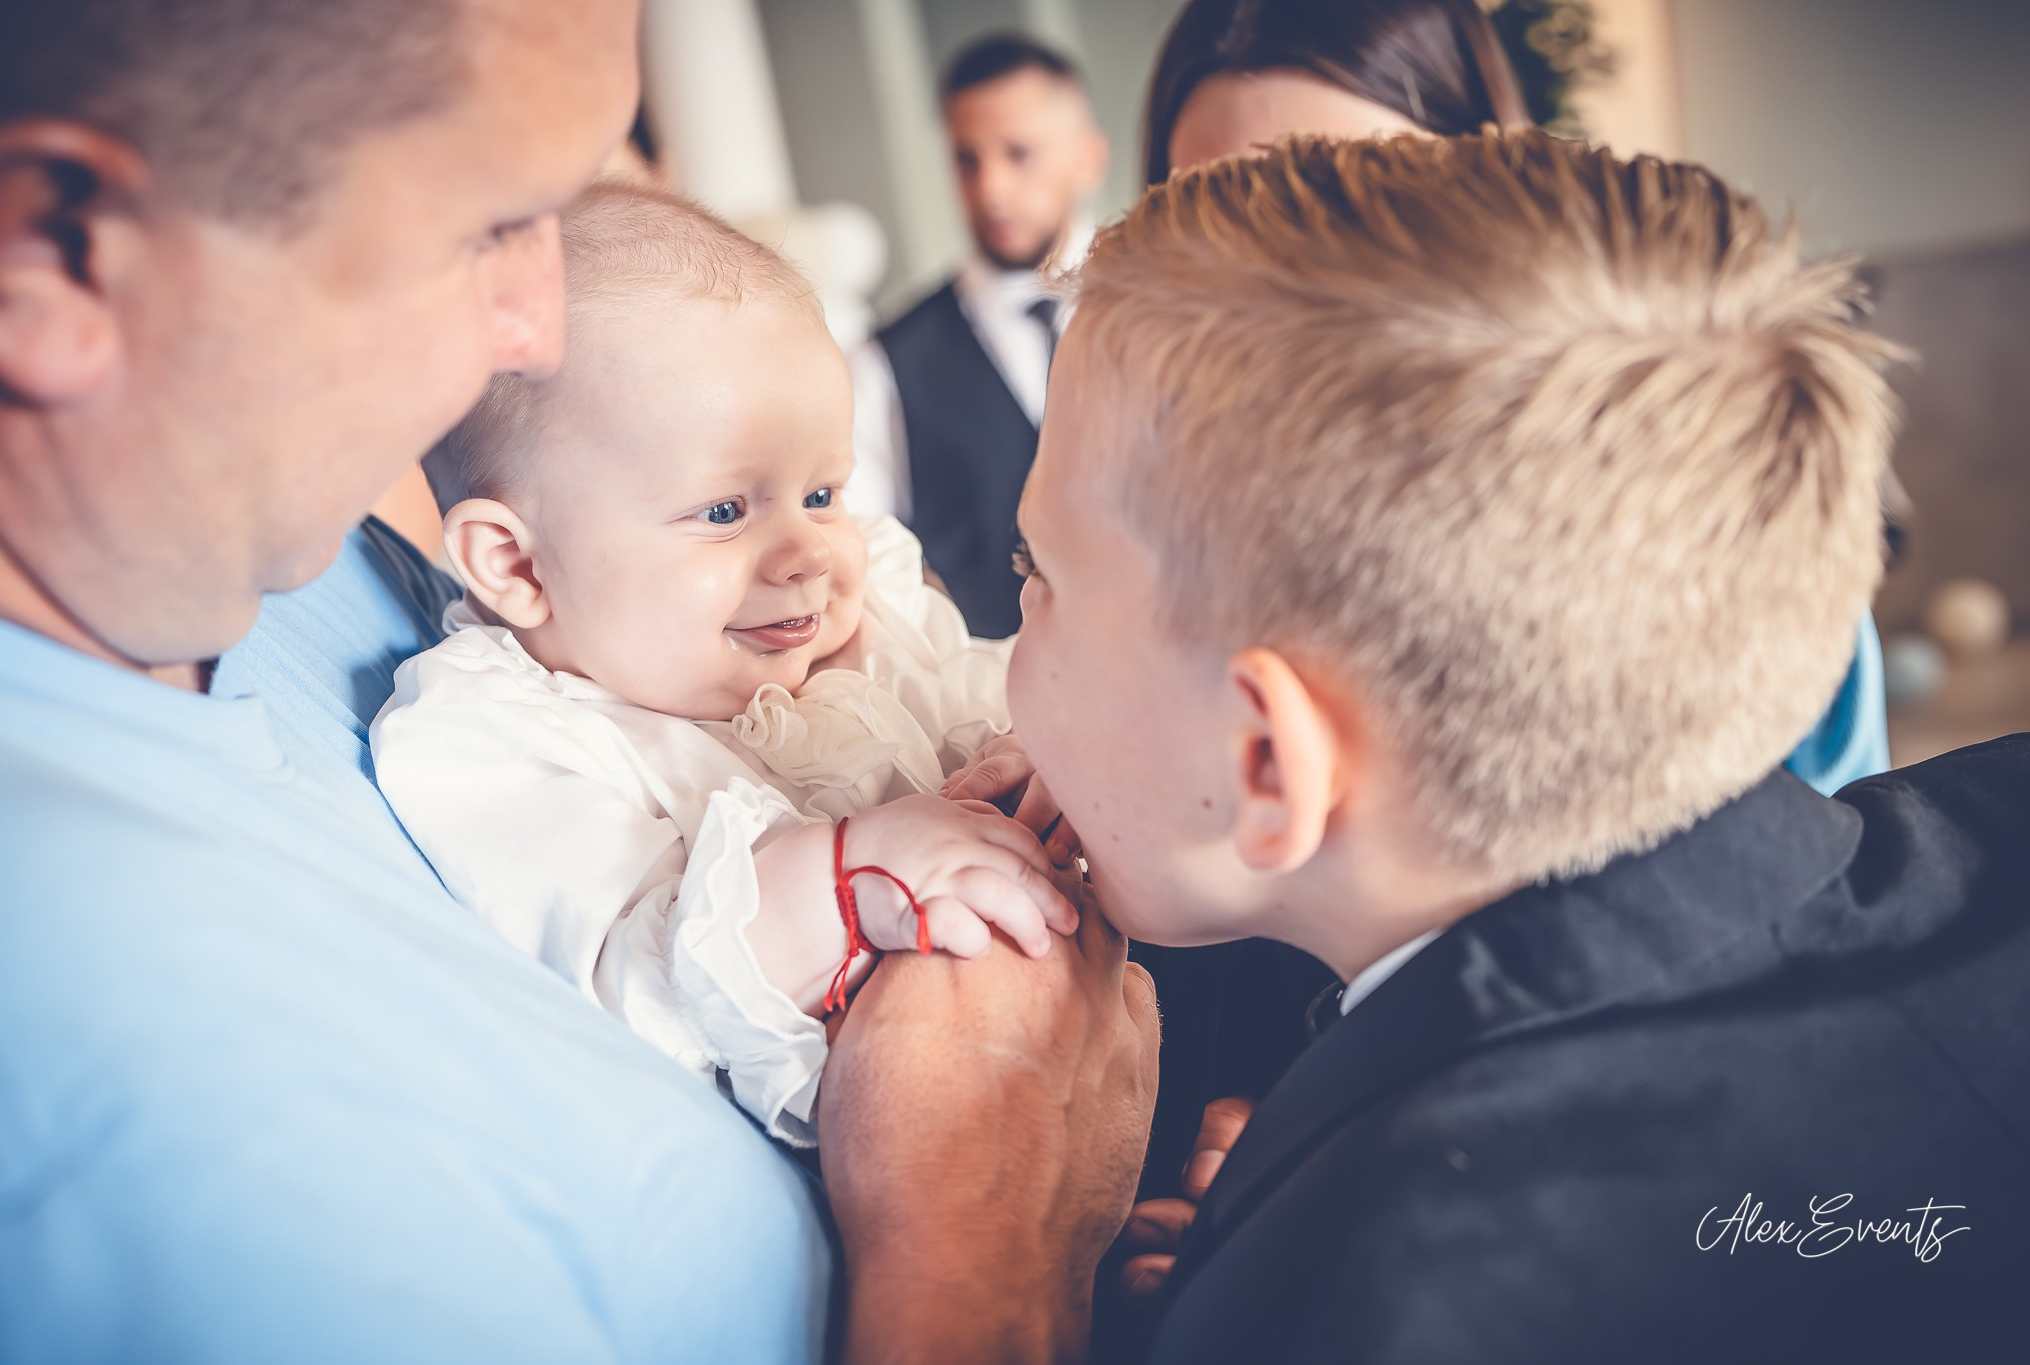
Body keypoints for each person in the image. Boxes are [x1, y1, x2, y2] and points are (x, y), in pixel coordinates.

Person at [816, 132, 2029, 1361]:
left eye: (1035, 577)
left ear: (1265, 763)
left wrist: (974, 1264)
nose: (1009, 635)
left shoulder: (1386, 1306)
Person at [0, 3, 848, 1358]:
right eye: (491, 224)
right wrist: (977, 1221)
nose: (539, 330)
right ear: (56, 252)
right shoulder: (84, 1031)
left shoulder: (283, 551)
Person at [370, 183, 1077, 1145]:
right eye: (723, 512)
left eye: (821, 492)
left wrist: (1039, 753)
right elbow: (631, 979)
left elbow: (981, 693)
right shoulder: (494, 739)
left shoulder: (862, 608)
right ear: (518, 565)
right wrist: (841, 878)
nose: (807, 553)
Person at [1142, 0, 1890, 799]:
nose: (1283, 281)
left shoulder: (1689, 501)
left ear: (1491, 185)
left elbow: (1835, 831)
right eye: (1208, 217)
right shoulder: (1142, 525)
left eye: (1352, 203)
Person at [847, 33, 1110, 639]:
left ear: (1088, 159)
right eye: (967, 159)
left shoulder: (1168, 309)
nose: (990, 190)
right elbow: (866, 566)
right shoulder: (885, 364)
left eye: (1019, 154)